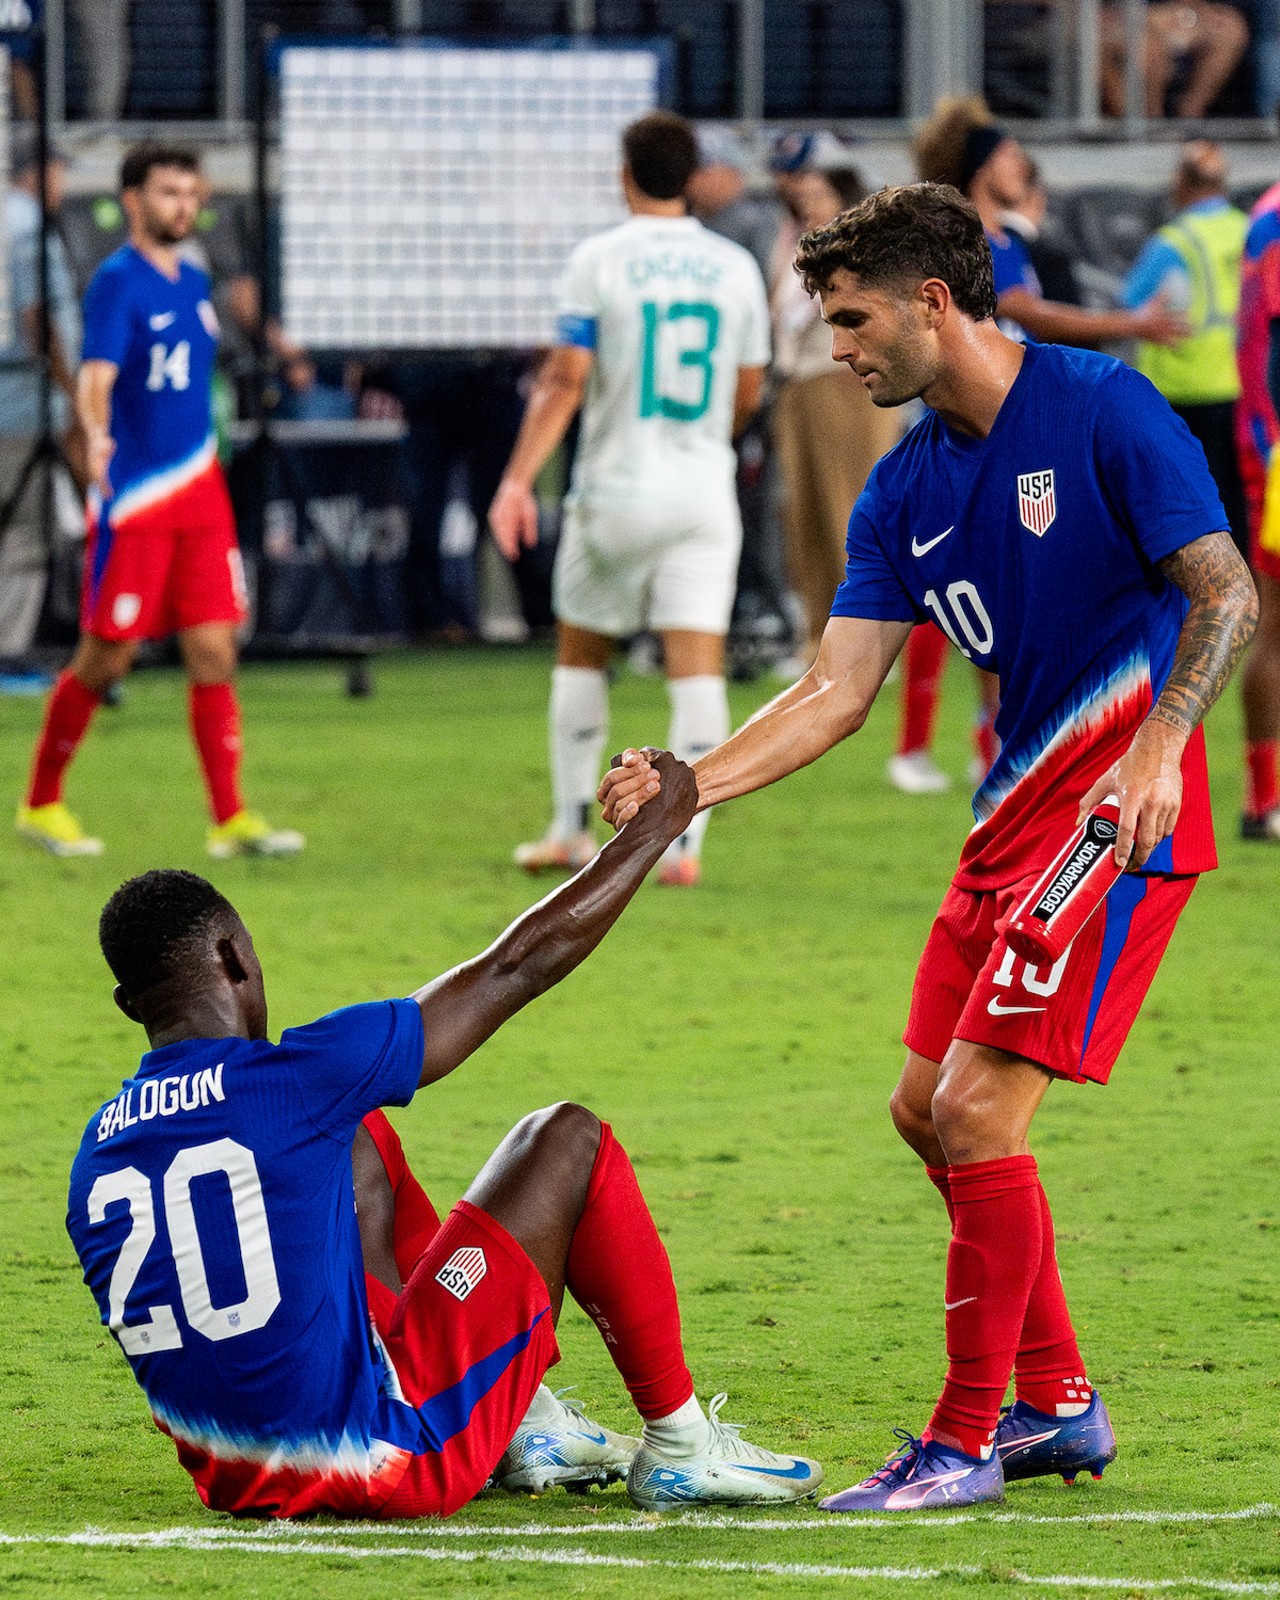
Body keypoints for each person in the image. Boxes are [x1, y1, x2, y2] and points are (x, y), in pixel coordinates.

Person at [600, 183, 1257, 1512]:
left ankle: (964, 1442)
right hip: (1006, 831)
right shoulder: (904, 486)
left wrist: (1160, 744)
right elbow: (835, 693)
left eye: (850, 322)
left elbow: (1225, 591)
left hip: (1108, 828)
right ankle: (1057, 1403)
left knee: (973, 1109)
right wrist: (690, 784)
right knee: (923, 1112)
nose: (837, 351)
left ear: (933, 305)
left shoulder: (1104, 409)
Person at [65, 761, 822, 1518]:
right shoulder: (298, 1079)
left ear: (129, 1004)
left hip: (241, 1482)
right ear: (235, 958)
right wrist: (652, 832)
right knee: (565, 1140)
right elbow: (514, 968)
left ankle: (524, 1426)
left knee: (353, 1134)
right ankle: (684, 1447)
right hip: (396, 1459)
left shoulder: (94, 1154)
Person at [490, 112, 770, 888]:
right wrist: (711, 440)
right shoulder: (734, 267)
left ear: (625, 174)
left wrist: (517, 480)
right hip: (702, 491)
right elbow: (748, 388)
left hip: (616, 486)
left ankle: (571, 828)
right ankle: (684, 849)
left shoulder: (598, 260)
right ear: (691, 177)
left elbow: (566, 378)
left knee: (582, 652)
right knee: (697, 667)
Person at [16, 143, 303, 860]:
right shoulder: (118, 282)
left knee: (215, 649)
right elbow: (96, 373)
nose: (183, 204)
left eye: (190, 192)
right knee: (107, 657)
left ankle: (230, 818)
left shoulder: (193, 280)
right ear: (133, 201)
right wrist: (95, 434)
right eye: (168, 192)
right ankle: (42, 802)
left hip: (201, 491)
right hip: (138, 499)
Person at [771, 165, 901, 671]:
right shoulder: (794, 243)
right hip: (797, 380)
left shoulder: (861, 253)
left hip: (840, 382)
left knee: (847, 508)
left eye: (818, 194)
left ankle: (867, 646)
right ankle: (815, 638)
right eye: (802, 195)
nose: (808, 205)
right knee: (804, 513)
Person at [1124, 141, 1248, 561]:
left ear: (1182, 183)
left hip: (1182, 385)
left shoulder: (1174, 241)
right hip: (1239, 382)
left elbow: (1130, 300)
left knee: (1189, 501)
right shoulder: (1249, 228)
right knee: (1237, 495)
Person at [0, 126, 84, 679]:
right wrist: (74, 394)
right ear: (40, 170)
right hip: (25, 405)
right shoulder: (31, 226)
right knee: (25, 535)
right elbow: (39, 318)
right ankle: (8, 655)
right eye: (58, 170)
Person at [1232, 174, 1280, 838]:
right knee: (1275, 626)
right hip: (1277, 447)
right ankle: (1264, 801)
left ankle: (1264, 799)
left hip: (1264, 438)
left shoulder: (1266, 213)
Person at [1100, 0, 1249, 119]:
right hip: (1116, 24)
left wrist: (1196, 12)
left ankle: (1189, 116)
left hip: (1169, 17)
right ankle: (1152, 123)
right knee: (1150, 47)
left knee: (1229, 29)